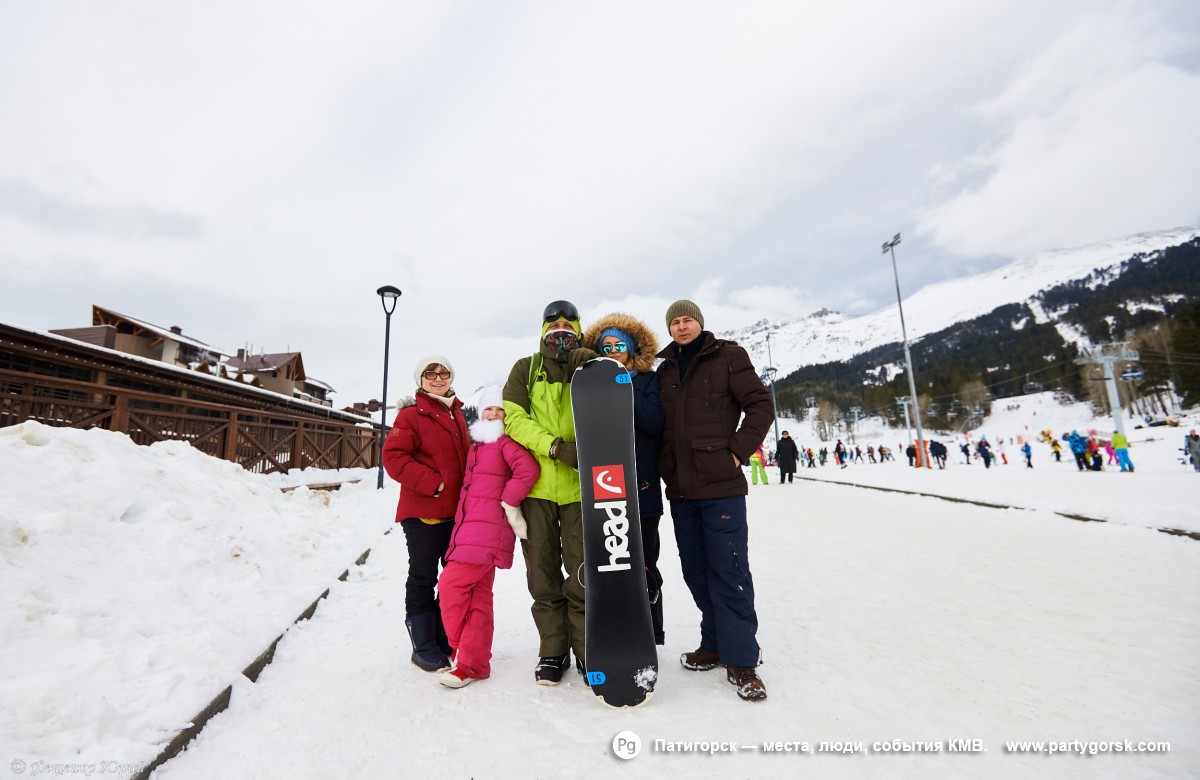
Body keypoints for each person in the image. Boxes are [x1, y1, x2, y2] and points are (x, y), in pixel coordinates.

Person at [656, 299, 773, 702]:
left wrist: (737, 452)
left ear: (699, 323)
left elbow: (760, 404)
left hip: (721, 486)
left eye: (687, 319)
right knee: (696, 572)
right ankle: (715, 642)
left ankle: (742, 661)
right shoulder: (666, 369)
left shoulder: (727, 356)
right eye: (675, 322)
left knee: (730, 572)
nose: (681, 326)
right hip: (682, 491)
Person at [503, 301, 596, 685]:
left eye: (567, 324)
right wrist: (555, 447)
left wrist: (592, 369)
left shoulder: (590, 366)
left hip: (579, 491)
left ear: (578, 328)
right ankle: (553, 652)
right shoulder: (525, 369)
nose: (559, 330)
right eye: (552, 324)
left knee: (581, 576)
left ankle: (589, 653)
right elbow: (514, 420)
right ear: (541, 330)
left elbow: (610, 407)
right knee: (542, 576)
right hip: (538, 489)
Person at [437, 384, 540, 688]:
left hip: (487, 532)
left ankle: (458, 647)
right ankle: (475, 663)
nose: (493, 414)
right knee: (478, 600)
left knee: (450, 585)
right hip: (470, 531)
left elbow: (528, 470)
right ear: (480, 413)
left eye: (499, 410)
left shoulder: (506, 442)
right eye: (488, 409)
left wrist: (508, 500)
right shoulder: (479, 446)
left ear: (507, 416)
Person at [582, 313, 667, 645]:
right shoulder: (589, 386)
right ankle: (616, 630)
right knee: (612, 563)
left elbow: (654, 422)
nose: (614, 350)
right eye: (607, 347)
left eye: (620, 346)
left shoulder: (647, 380)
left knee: (645, 564)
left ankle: (652, 633)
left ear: (632, 350)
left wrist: (624, 386)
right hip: (606, 487)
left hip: (642, 487)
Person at [383, 356, 469, 672]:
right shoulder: (410, 416)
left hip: (456, 514)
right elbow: (392, 457)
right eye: (430, 374)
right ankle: (422, 646)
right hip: (423, 513)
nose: (437, 378)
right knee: (423, 576)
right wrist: (434, 484)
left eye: (443, 372)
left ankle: (441, 636)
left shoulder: (456, 412)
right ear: (420, 380)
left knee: (453, 577)